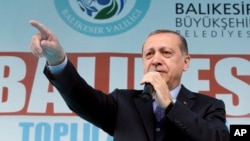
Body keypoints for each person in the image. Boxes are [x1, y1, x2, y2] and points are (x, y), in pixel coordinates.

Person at [29, 20, 230, 141]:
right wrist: (57, 60)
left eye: (166, 53)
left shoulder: (210, 106)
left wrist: (170, 105)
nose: (156, 60)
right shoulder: (123, 102)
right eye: (149, 54)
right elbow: (82, 98)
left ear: (185, 62)